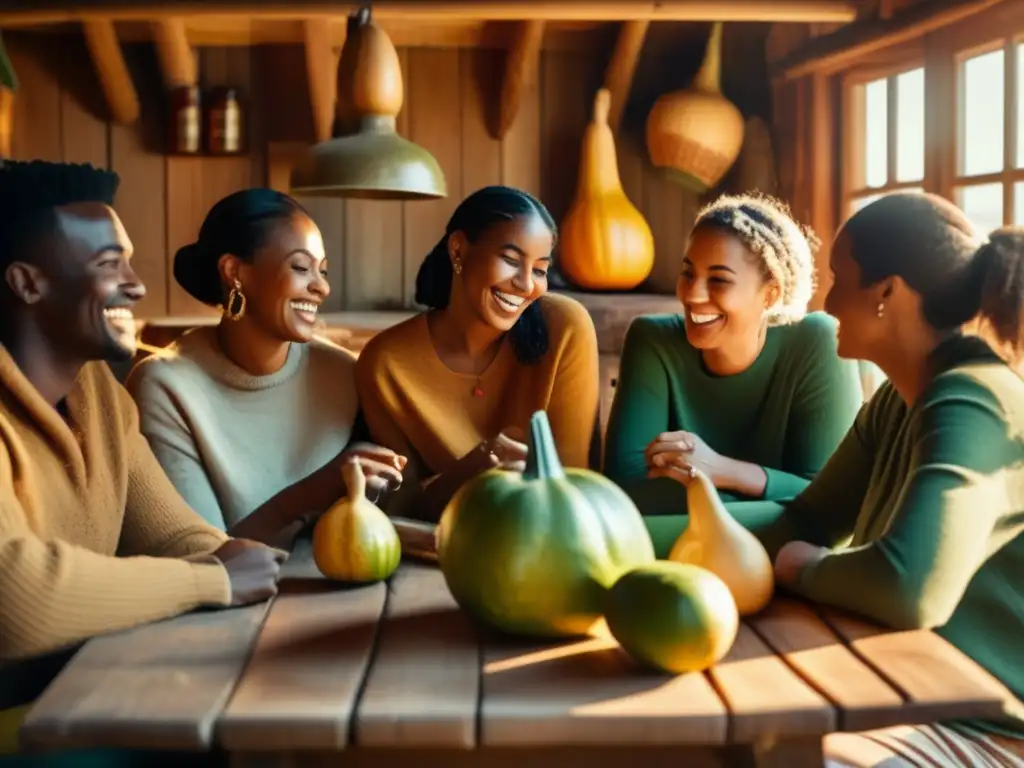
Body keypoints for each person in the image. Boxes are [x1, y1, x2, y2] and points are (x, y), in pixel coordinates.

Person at [722, 192, 1024, 765]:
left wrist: (804, 568)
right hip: (907, 698)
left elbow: (910, 588)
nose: (827, 299)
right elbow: (805, 519)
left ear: (886, 293)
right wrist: (647, 542)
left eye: (840, 278)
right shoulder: (897, 398)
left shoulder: (975, 400)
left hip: (990, 733)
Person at [0, 160, 285, 762]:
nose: (137, 285)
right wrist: (213, 581)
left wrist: (250, 564)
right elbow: (15, 597)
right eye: (109, 266)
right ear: (28, 284)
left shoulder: (100, 394)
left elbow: (174, 535)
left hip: (78, 689)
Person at [125, 189, 406, 547]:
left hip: (346, 588)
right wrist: (318, 489)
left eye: (322, 271)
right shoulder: (165, 387)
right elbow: (206, 558)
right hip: (237, 599)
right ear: (234, 272)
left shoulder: (343, 373)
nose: (321, 287)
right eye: (301, 267)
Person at [602, 193, 863, 556]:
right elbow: (624, 492)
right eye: (687, 273)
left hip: (664, 546)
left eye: (719, 280)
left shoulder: (815, 340)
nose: (693, 295)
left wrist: (722, 470)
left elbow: (836, 503)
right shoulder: (653, 341)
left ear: (770, 294)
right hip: (757, 552)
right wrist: (774, 501)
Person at [354, 185, 600, 523]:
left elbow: (574, 490)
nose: (527, 284)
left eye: (540, 269)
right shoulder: (385, 363)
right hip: (443, 550)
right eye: (511, 260)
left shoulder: (566, 329)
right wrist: (473, 469)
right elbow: (402, 509)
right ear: (458, 250)